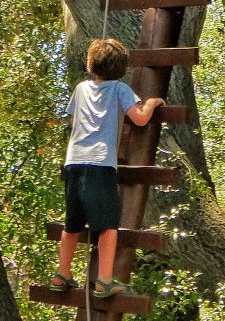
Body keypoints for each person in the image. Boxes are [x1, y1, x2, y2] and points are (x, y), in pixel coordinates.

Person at [50, 38, 165, 299]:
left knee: (72, 223)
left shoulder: (80, 88)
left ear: (92, 63)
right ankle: (103, 281)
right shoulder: (119, 89)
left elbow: (74, 116)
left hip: (74, 162)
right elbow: (140, 118)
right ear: (122, 67)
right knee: (108, 226)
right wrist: (152, 102)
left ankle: (62, 274)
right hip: (100, 164)